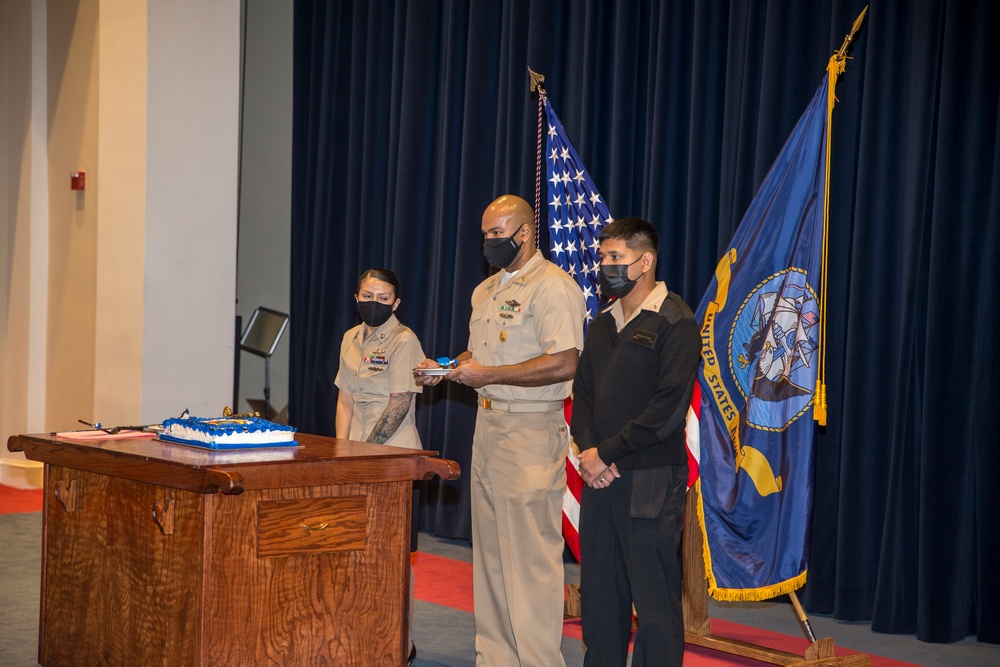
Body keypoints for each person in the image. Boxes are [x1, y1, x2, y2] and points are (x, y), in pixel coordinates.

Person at [416, 195, 586, 666]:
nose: (491, 241)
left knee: (529, 559)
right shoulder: (486, 289)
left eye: (499, 232)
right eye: (486, 234)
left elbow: (565, 362)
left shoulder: (552, 287)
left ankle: (536, 661)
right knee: (489, 555)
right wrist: (448, 368)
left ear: (526, 232)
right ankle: (495, 658)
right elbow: (480, 358)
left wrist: (488, 375)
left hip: (531, 429)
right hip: (488, 427)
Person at [570, 217, 700, 667]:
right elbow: (582, 394)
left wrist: (607, 452)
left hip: (650, 478)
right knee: (602, 597)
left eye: (615, 258)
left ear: (644, 262)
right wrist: (589, 451)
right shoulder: (604, 321)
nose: (604, 265)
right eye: (602, 257)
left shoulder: (676, 320)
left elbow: (667, 409)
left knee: (654, 601)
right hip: (600, 479)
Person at [334, 267, 424, 666]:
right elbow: (345, 400)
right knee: (356, 551)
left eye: (384, 298)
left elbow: (400, 402)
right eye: (368, 295)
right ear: (356, 298)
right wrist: (340, 451)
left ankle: (401, 642)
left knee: (393, 555)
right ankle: (363, 633)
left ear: (396, 303)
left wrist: (366, 455)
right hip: (354, 455)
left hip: (391, 459)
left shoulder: (404, 340)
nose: (375, 303)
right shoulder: (350, 338)